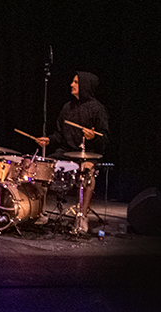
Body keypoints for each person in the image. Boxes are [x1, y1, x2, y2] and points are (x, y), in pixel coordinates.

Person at [36, 71, 110, 234]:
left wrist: (93, 138)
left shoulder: (97, 109)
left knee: (88, 172)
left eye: (76, 82)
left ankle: (82, 217)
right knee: (41, 167)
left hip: (88, 153)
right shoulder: (67, 108)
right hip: (66, 152)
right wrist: (48, 140)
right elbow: (59, 135)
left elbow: (104, 139)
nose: (72, 85)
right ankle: (39, 212)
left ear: (85, 85)